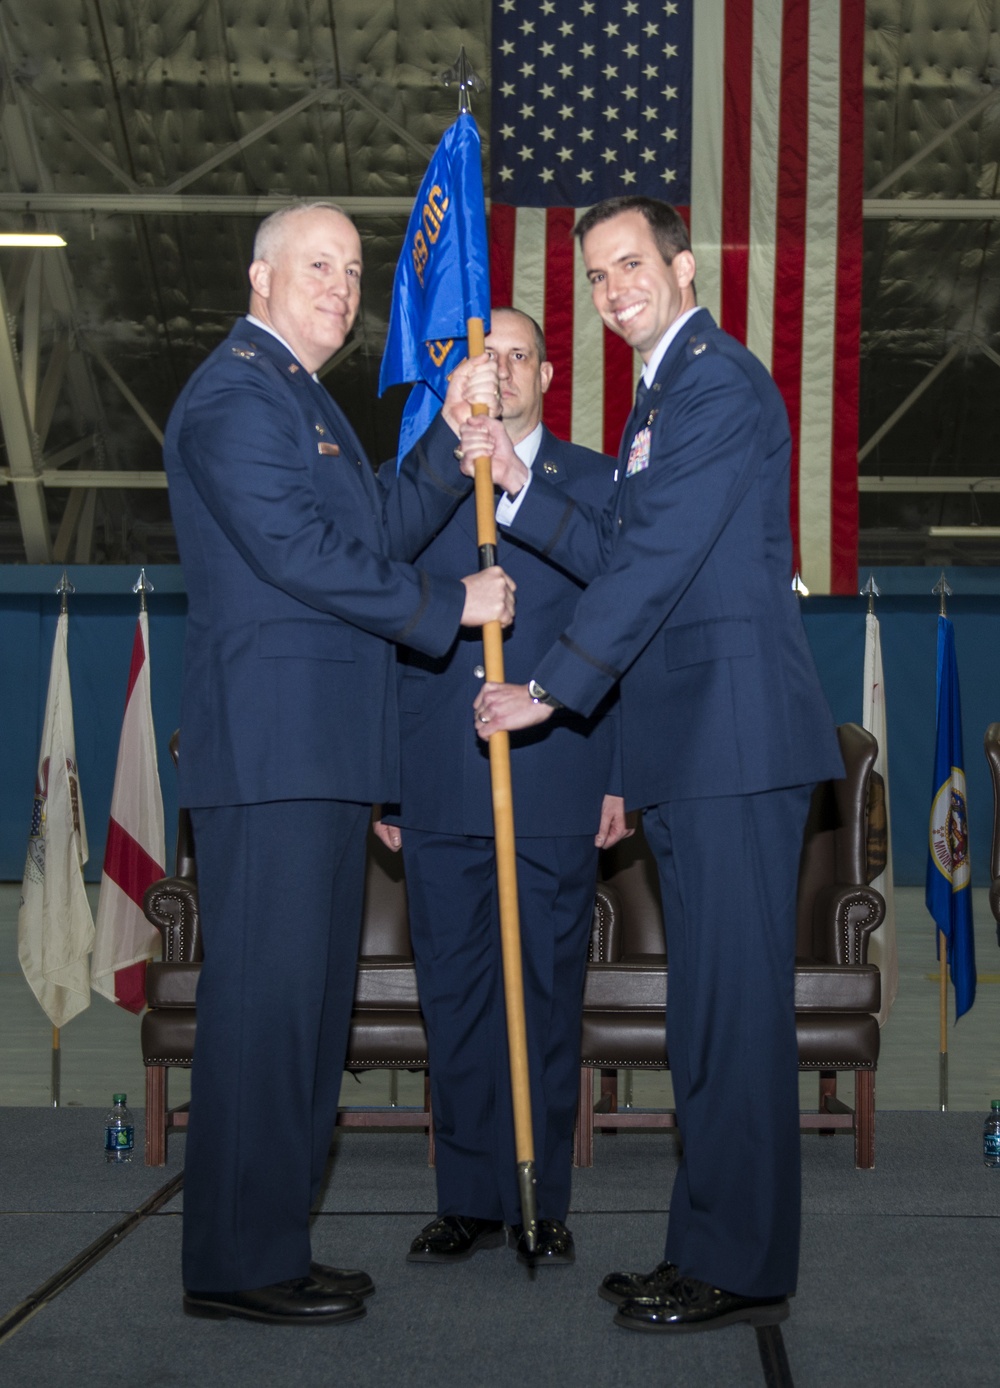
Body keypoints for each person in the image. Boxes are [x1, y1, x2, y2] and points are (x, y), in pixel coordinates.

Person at [461, 196, 843, 1335]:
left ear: (683, 266)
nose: (611, 284)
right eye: (594, 272)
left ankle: (738, 1264)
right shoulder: (661, 396)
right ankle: (707, 1243)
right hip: (692, 744)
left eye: (630, 262)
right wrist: (519, 485)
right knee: (705, 1016)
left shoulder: (716, 382)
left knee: (729, 1012)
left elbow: (660, 560)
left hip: (733, 740)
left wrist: (552, 685)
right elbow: (620, 544)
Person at [162, 200, 515, 1328]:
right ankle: (233, 1262)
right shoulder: (232, 393)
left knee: (307, 1019)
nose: (342, 283)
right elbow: (301, 554)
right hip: (270, 756)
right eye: (316, 263)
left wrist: (450, 439)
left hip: (315, 758)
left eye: (355, 268)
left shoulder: (300, 399)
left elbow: (369, 522)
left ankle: (270, 1241)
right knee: (264, 1014)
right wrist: (449, 604)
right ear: (258, 277)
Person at [374, 308, 627, 1268]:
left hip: (560, 774)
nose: (505, 371)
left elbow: (627, 627)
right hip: (440, 781)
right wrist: (391, 790)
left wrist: (621, 778)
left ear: (549, 375)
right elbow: (387, 638)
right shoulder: (426, 479)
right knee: (458, 995)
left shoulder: (596, 482)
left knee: (546, 996)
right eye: (490, 357)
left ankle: (540, 1198)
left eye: (521, 357)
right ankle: (468, 1198)